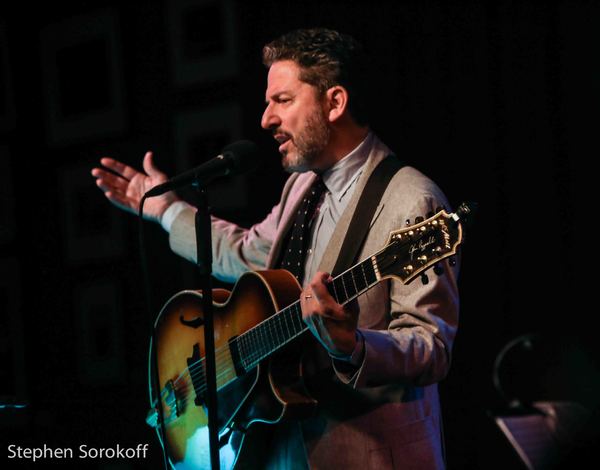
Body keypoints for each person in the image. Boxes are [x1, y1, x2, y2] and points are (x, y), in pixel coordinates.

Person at [92, 28, 459, 469]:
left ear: (335, 102)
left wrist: (354, 346)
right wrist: (165, 210)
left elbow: (431, 346)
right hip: (280, 450)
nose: (266, 119)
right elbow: (245, 253)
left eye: (282, 101)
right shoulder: (301, 187)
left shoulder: (412, 200)